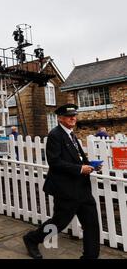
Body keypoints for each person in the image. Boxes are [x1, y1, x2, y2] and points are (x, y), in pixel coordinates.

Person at [23, 104, 100, 259]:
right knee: (59, 223)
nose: (73, 118)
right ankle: (32, 239)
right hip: (66, 189)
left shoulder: (71, 134)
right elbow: (55, 162)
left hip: (82, 189)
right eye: (69, 116)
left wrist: (90, 165)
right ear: (60, 118)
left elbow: (76, 158)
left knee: (91, 224)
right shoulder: (55, 135)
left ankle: (90, 257)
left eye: (74, 115)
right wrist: (79, 169)